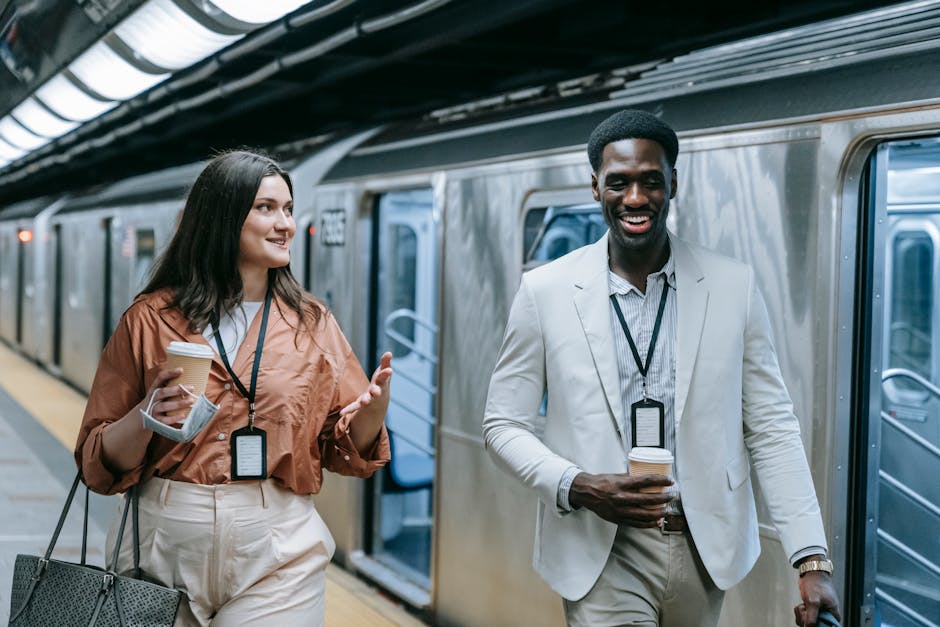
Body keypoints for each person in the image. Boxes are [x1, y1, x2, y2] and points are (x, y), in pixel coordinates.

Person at [482, 110, 841, 627]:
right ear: (595, 187)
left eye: (651, 181)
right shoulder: (546, 291)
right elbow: (502, 424)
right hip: (601, 551)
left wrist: (811, 559)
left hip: (704, 551)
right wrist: (578, 484)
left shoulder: (731, 286)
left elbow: (771, 427)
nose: (635, 198)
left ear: (674, 182)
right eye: (619, 182)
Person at [75, 150, 392, 626]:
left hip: (276, 548)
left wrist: (370, 413)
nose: (284, 222)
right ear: (221, 217)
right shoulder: (150, 320)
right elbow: (96, 462)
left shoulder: (311, 324)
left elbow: (342, 448)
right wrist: (146, 417)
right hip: (159, 550)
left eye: (288, 208)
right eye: (265, 208)